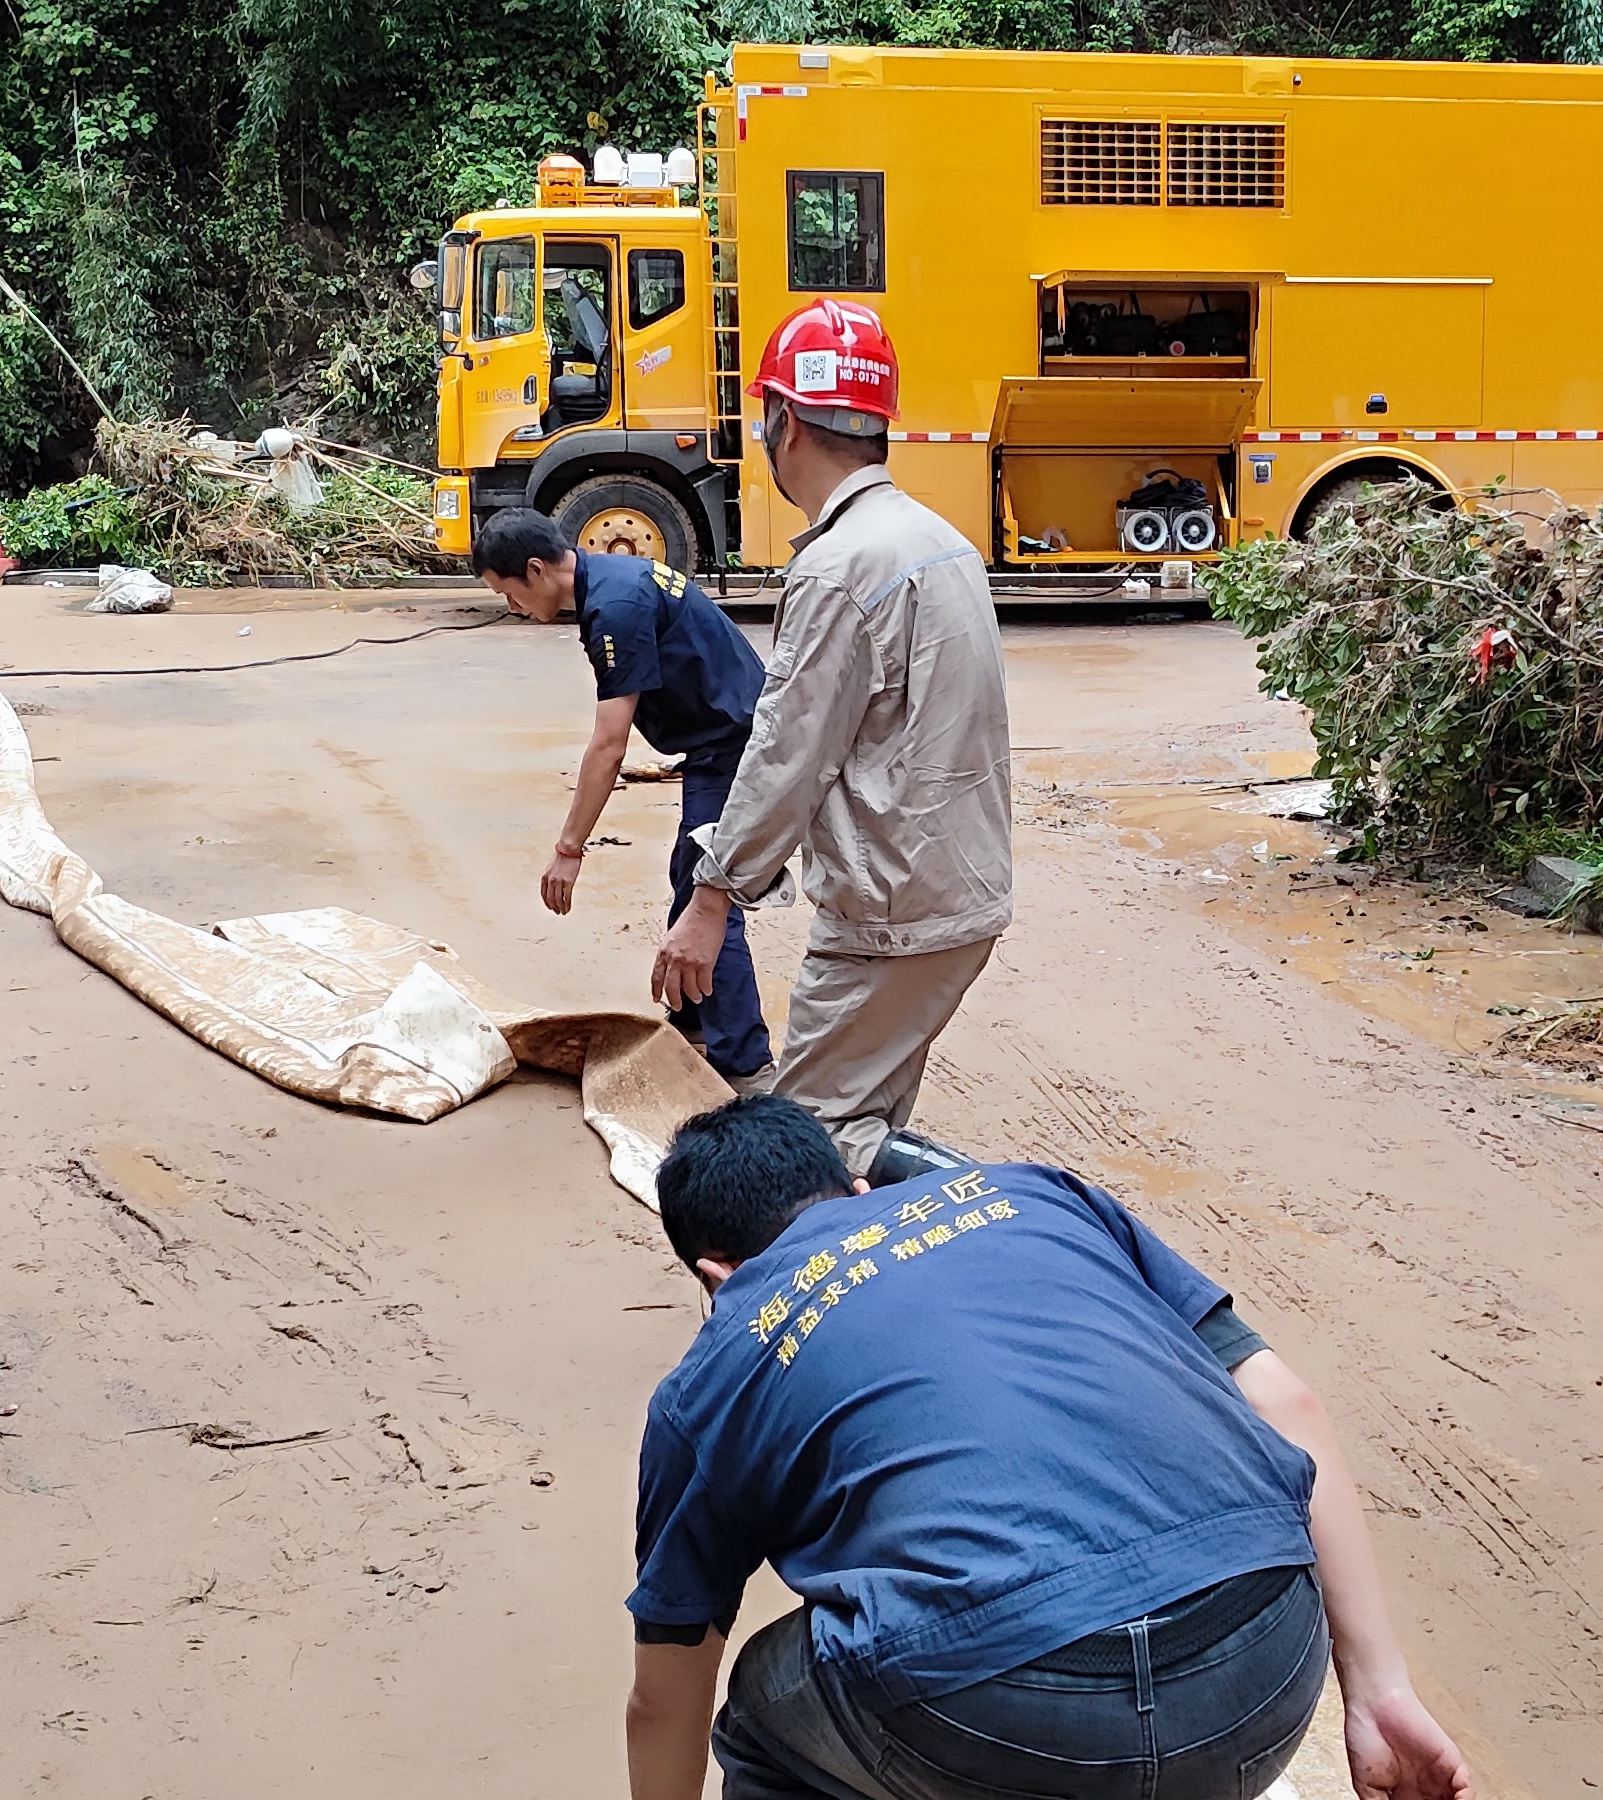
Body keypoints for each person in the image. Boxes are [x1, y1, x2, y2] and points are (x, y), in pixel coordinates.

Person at [623, 1095, 1476, 1800]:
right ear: (853, 1188)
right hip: (1268, 1669)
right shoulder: (1039, 1195)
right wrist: (1379, 1687)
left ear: (713, 1274)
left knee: (765, 1719)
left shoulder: (713, 1371)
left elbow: (667, 1694)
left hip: (1003, 1713)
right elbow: (1289, 1404)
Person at [656, 301, 1010, 1178]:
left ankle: (987, 1212)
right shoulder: (943, 544)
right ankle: (900, 1271)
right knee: (866, 1117)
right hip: (960, 895)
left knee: (800, 1144)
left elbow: (788, 752)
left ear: (782, 423)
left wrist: (711, 900)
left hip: (886, 916)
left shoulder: (839, 565)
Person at [475, 506, 773, 1079]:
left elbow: (609, 746)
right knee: (689, 878)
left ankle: (747, 1065)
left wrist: (568, 849)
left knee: (710, 897)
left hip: (736, 749)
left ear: (536, 570)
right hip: (730, 737)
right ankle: (695, 1024)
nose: (511, 607)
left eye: (507, 592)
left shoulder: (614, 607)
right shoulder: (611, 578)